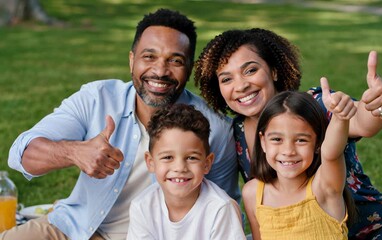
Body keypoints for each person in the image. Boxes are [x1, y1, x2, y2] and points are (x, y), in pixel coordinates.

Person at [4, 9, 239, 240]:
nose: (160, 71)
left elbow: (218, 209)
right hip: (72, 226)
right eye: (149, 57)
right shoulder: (97, 98)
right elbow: (20, 153)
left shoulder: (215, 129)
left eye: (175, 60)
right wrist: (74, 152)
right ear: (131, 61)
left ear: (188, 69)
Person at [195, 28, 382, 239]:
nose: (241, 85)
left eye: (251, 70)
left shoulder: (313, 105)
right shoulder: (235, 132)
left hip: (372, 228)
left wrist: (380, 104)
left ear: (274, 71)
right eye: (226, 79)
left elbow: (361, 120)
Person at [243, 85, 356, 239]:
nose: (288, 151)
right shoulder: (253, 193)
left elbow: (331, 154)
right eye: (277, 139)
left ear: (317, 144)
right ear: (263, 141)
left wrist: (340, 117)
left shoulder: (324, 187)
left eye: (301, 140)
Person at [127, 104, 245, 240]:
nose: (180, 168)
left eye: (191, 158)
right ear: (151, 162)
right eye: (168, 157)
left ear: (207, 163)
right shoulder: (142, 206)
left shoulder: (221, 208)